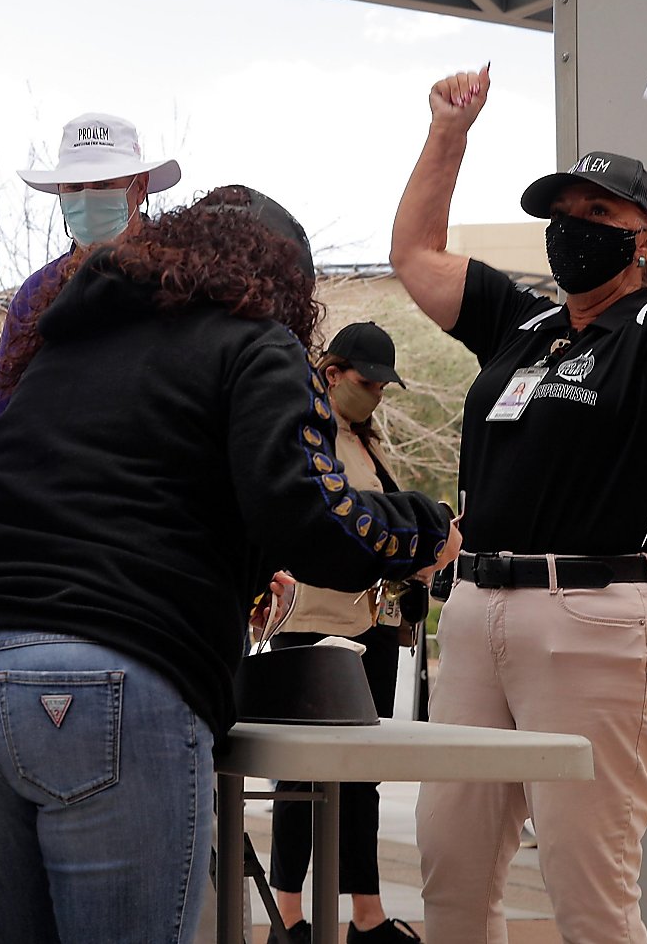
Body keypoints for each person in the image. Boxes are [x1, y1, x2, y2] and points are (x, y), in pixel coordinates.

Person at [0, 186, 461, 944]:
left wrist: (239, 565)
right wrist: (423, 532)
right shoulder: (256, 341)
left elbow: (113, 489)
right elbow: (311, 515)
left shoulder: (68, 339)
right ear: (285, 281)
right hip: (104, 667)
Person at [389, 46, 647, 944]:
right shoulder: (524, 322)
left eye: (598, 212)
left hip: (597, 616)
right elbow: (414, 253)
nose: (571, 225)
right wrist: (447, 136)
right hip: (474, 610)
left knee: (590, 891)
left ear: (646, 237)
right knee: (451, 876)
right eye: (562, 212)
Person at [267, 321, 427, 944]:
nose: (378, 394)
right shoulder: (303, 433)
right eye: (368, 382)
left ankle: (366, 912)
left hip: (369, 623)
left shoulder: (364, 438)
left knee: (363, 771)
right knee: (300, 777)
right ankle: (288, 914)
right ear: (331, 374)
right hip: (310, 626)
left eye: (385, 386)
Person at [0, 111, 180, 431]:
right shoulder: (35, 293)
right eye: (74, 187)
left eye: (103, 185)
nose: (87, 198)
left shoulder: (179, 281)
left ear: (140, 188)